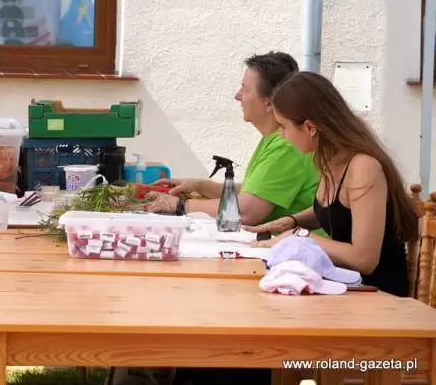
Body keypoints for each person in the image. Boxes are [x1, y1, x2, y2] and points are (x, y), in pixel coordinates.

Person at [248, 71, 420, 297]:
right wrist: (293, 221)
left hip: (378, 296)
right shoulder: (329, 158)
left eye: (283, 126)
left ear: (310, 127)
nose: (281, 135)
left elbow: (364, 259)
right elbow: (337, 208)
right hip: (345, 288)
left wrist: (300, 236)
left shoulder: (363, 168)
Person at [144, 52, 321, 231]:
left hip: (301, 246)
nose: (238, 96)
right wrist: (201, 186)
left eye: (245, 89)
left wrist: (182, 205)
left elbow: (246, 211)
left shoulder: (286, 145)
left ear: (269, 102)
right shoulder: (274, 138)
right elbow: (258, 192)